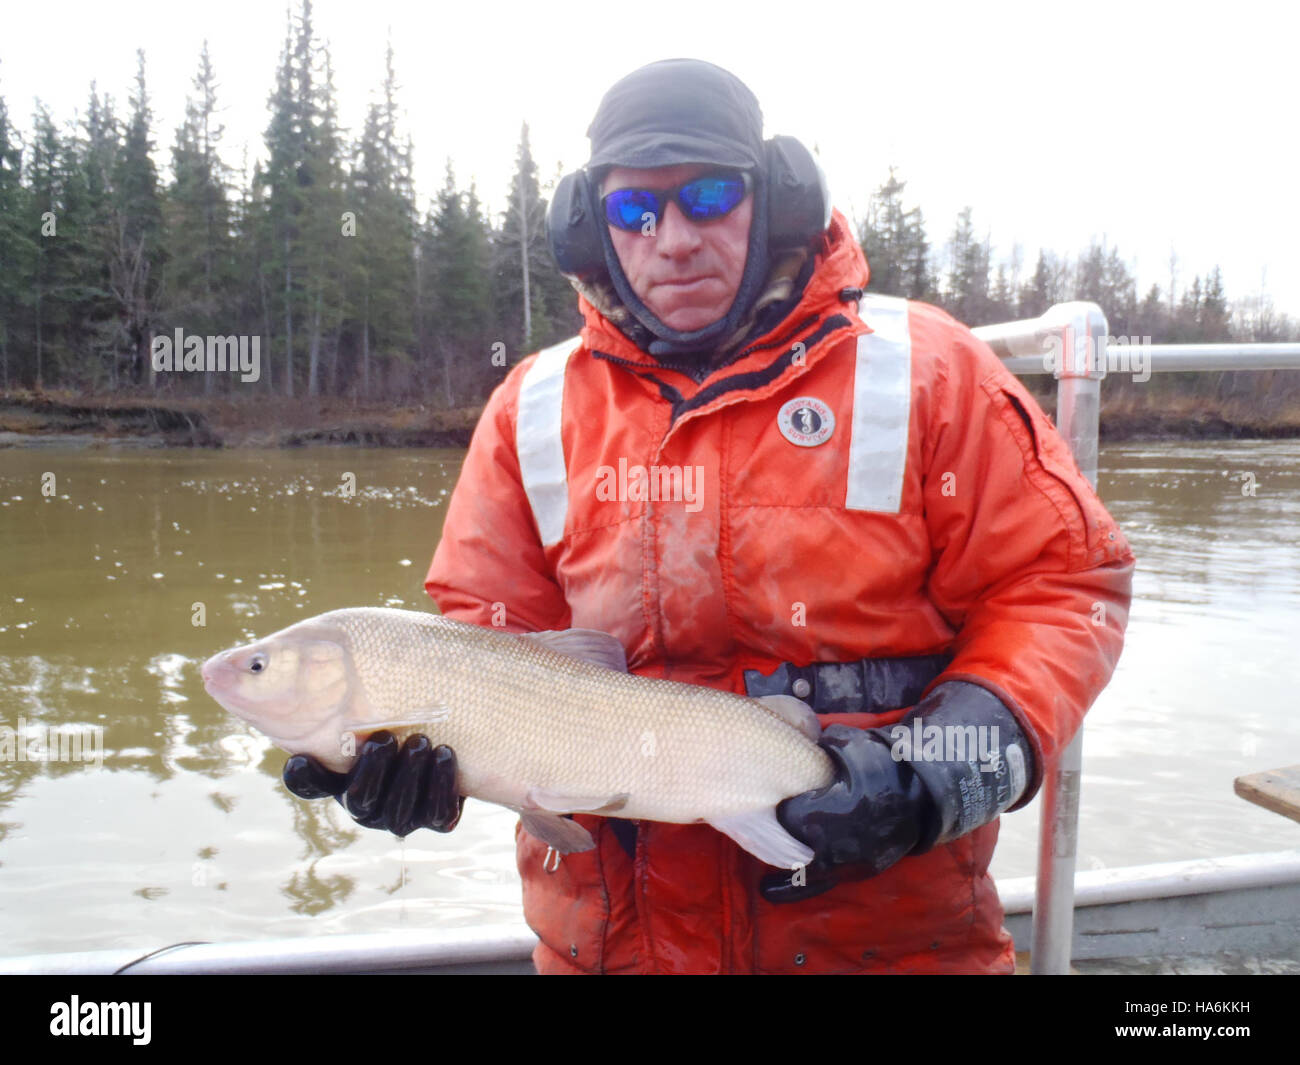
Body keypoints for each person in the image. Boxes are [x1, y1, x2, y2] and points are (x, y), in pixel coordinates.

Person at [286, 58, 1135, 974]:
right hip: (613, 953)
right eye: (635, 212)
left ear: (775, 198)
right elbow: (486, 654)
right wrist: (423, 763)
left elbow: (1063, 586)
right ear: (591, 225)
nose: (674, 238)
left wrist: (942, 770)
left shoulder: (929, 370)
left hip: (891, 947)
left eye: (709, 195)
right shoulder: (529, 409)